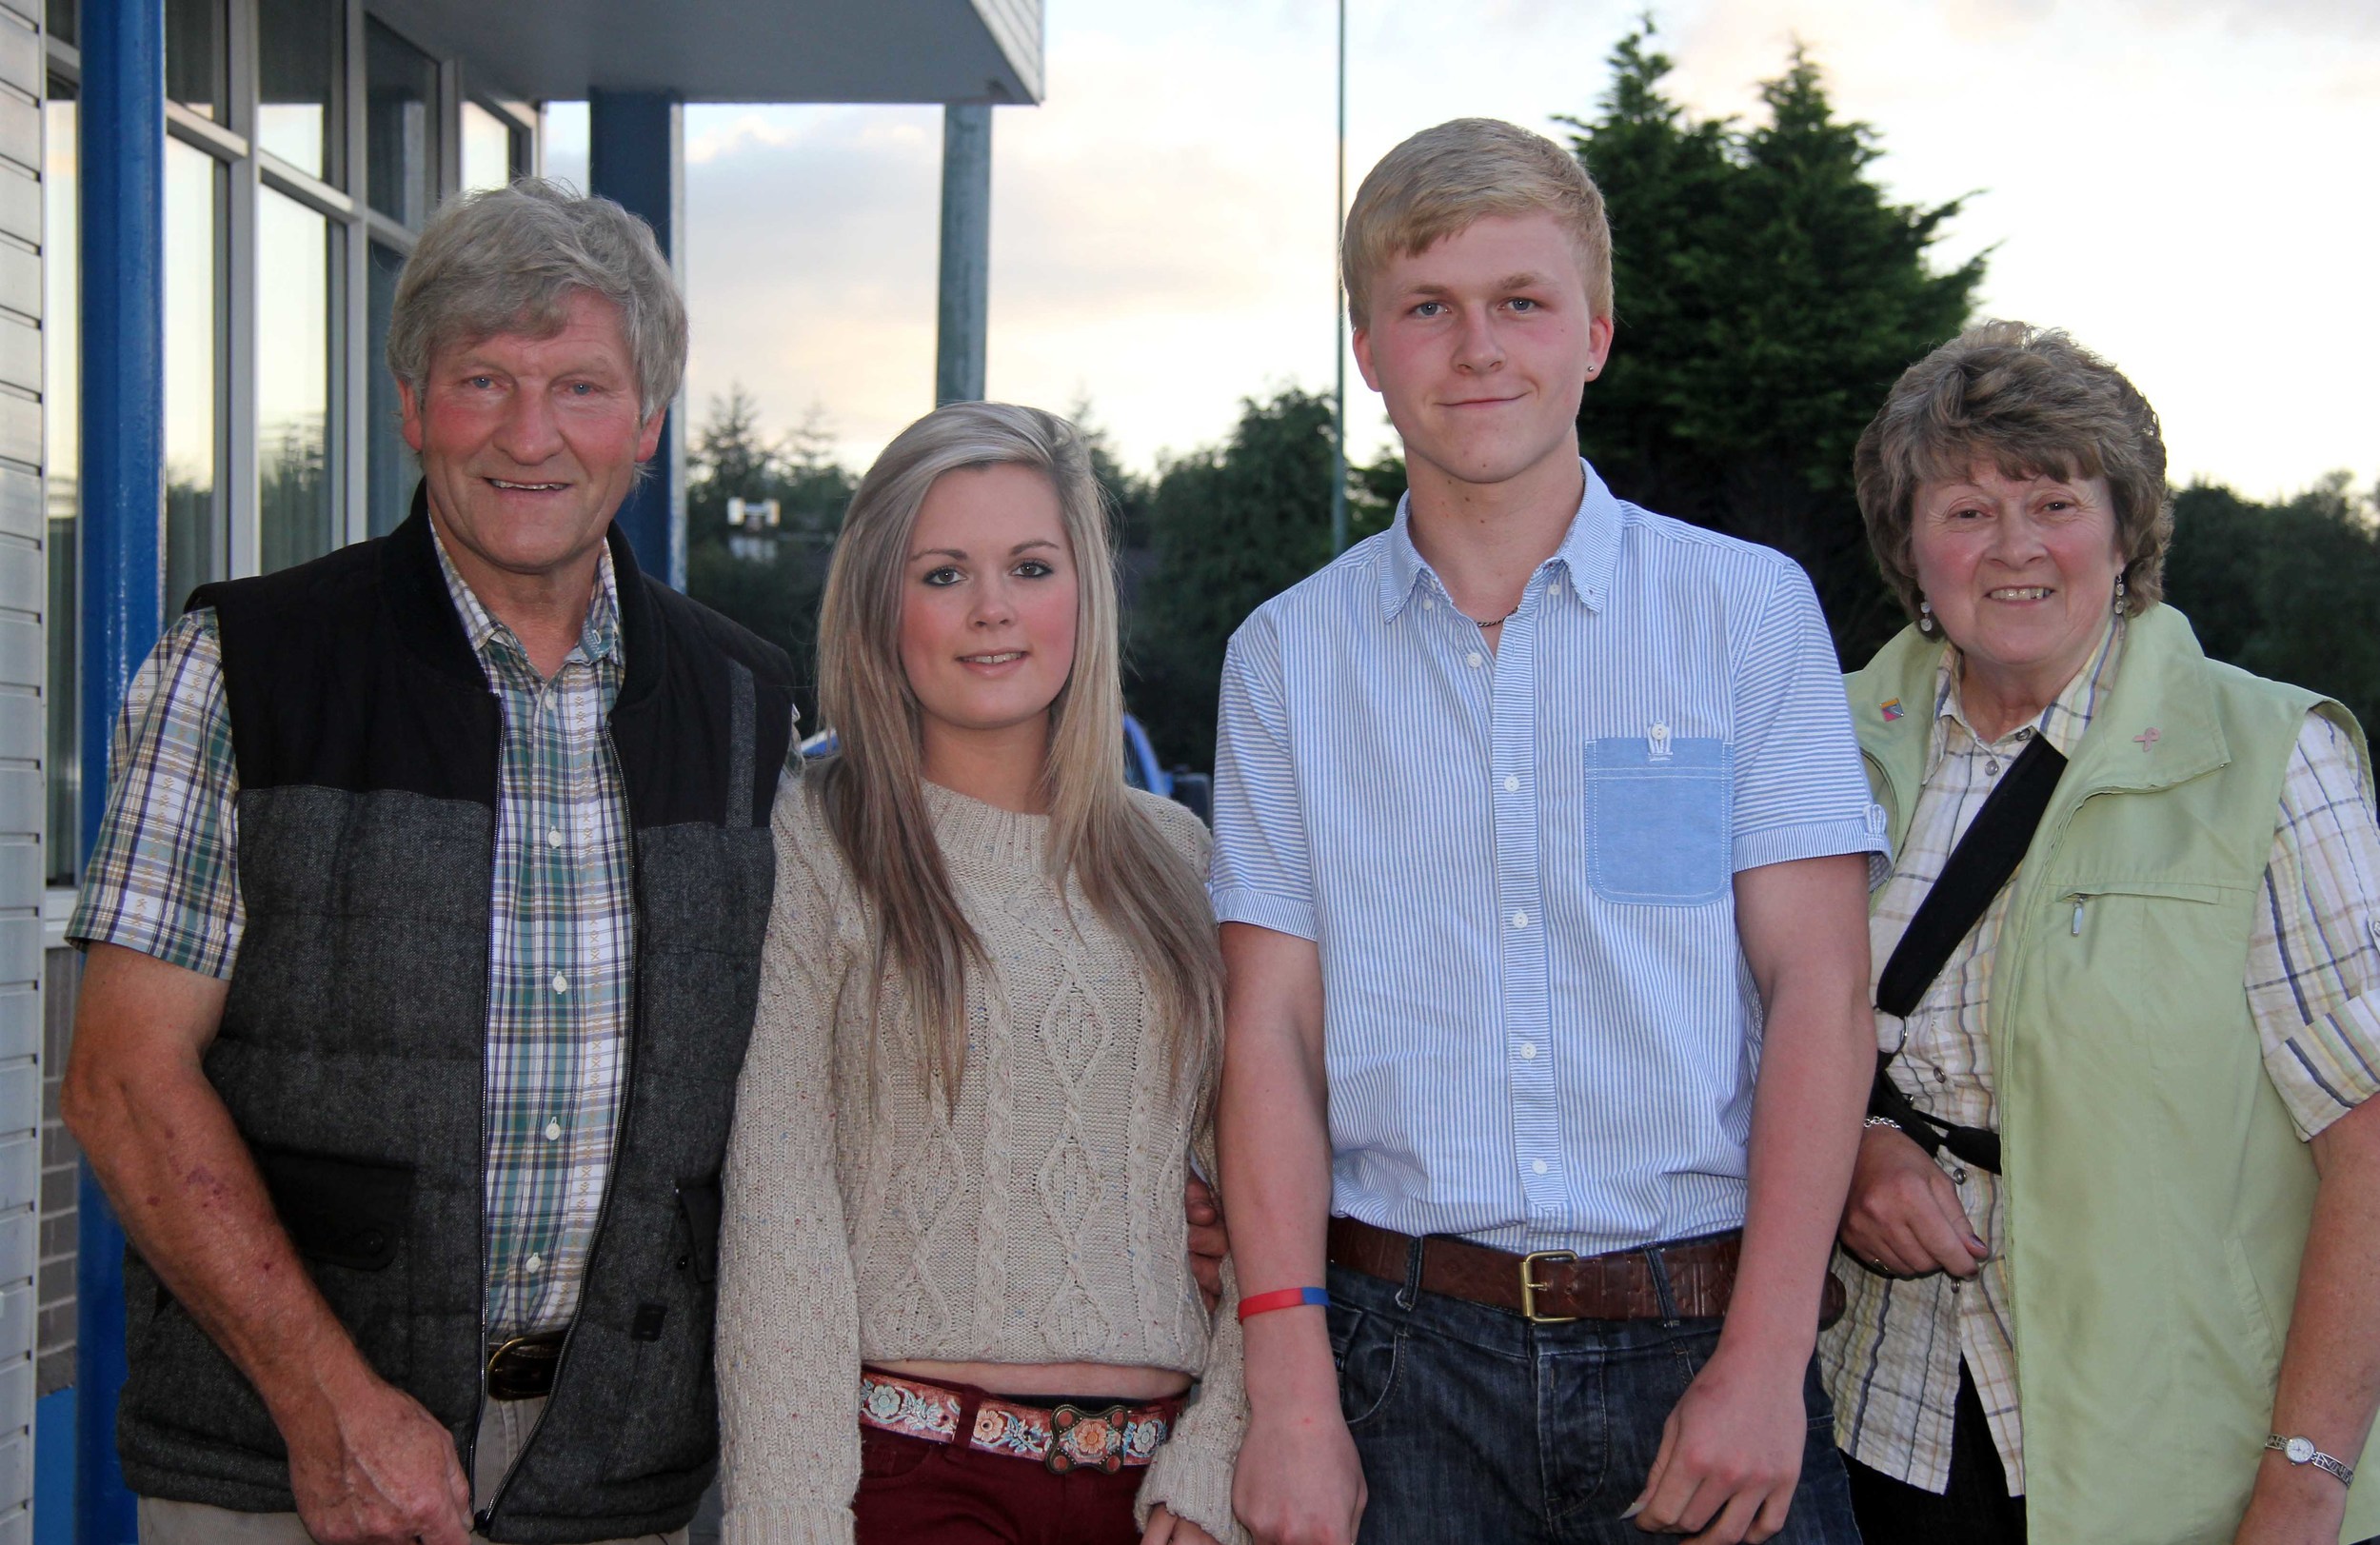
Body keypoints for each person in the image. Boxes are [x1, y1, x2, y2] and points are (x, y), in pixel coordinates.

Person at [58, 179, 797, 1544]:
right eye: (482, 381)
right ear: (413, 407)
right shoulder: (241, 668)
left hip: (617, 1466)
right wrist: (331, 1402)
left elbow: (822, 1067)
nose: (530, 435)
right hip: (279, 1458)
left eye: (580, 386)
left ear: (647, 423)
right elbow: (120, 1076)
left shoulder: (751, 704)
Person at [1211, 118, 1882, 1545]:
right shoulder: (1284, 657)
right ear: (1368, 348)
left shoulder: (1747, 613)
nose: (1478, 348)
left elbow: (1821, 991)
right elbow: (1270, 1034)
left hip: (1700, 1338)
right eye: (1428, 307)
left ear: (1594, 334)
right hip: (1396, 1364)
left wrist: (1764, 1361)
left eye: (1521, 301)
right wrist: (1290, 1394)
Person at [1823, 322, 2380, 1545]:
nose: (2014, 545)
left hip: (2185, 1445)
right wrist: (1856, 1142)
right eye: (1965, 508)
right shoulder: (1824, 747)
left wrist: (2305, 1475)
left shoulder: (2273, 759)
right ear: (1909, 548)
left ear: (2123, 537)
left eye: (2053, 500)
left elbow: (2369, 1139)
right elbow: (1751, 1022)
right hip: (1887, 1423)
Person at [714, 402, 1245, 1545]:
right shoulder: (813, 844)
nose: (994, 608)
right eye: (945, 573)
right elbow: (779, 1220)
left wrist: (1212, 1476)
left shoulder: (1183, 862)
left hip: (1158, 1497)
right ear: (879, 605)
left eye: (1031, 566)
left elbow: (1270, 1206)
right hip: (913, 1484)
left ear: (1083, 594)